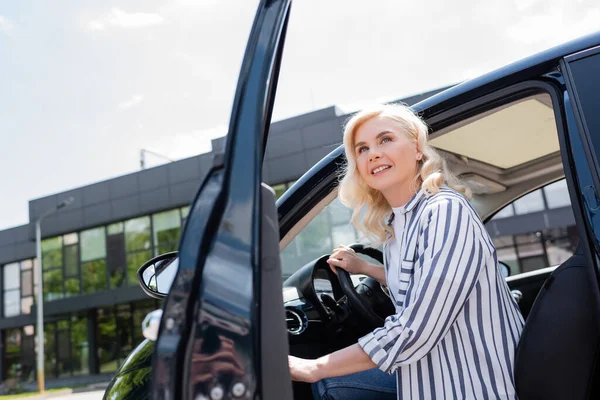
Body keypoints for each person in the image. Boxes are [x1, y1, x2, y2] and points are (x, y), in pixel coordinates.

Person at [288, 103, 524, 399]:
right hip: (430, 374)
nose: (373, 153)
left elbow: (415, 329)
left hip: (472, 383)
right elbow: (420, 281)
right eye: (362, 149)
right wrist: (366, 269)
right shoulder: (399, 223)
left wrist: (314, 367)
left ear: (416, 149)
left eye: (385, 139)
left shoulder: (444, 212)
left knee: (328, 384)